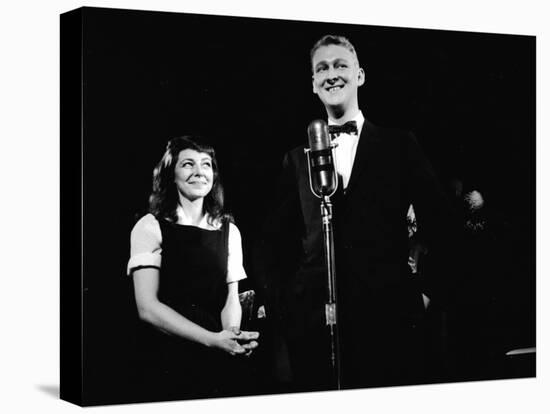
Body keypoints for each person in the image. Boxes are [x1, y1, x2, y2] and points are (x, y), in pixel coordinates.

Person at [259, 35, 456, 392]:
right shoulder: (295, 159)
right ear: (313, 84)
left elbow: (443, 226)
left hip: (390, 322)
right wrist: (289, 308)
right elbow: (273, 244)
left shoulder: (398, 145)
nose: (331, 74)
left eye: (340, 65)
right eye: (322, 68)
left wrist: (424, 295)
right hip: (316, 329)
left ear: (360, 75)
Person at [127, 136, 259, 401]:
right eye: (188, 164)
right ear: (170, 174)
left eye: (206, 164)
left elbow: (230, 299)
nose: (199, 172)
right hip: (166, 357)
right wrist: (211, 339)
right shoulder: (149, 227)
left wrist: (231, 337)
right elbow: (147, 308)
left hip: (215, 356)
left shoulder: (229, 231)